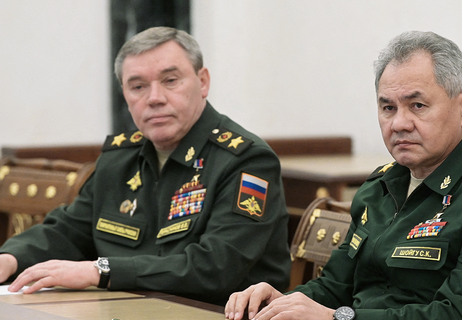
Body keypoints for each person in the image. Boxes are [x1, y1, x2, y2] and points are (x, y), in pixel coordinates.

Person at [225, 31, 462, 319]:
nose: (399, 123)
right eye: (388, 108)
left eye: (417, 106)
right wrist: (280, 304)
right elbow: (334, 288)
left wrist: (337, 318)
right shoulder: (381, 188)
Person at [0, 26, 291, 305]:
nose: (154, 98)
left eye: (170, 81)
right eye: (138, 86)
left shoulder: (245, 161)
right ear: (125, 95)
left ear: (203, 82)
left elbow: (215, 268)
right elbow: (70, 230)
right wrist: (10, 258)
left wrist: (100, 271)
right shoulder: (120, 158)